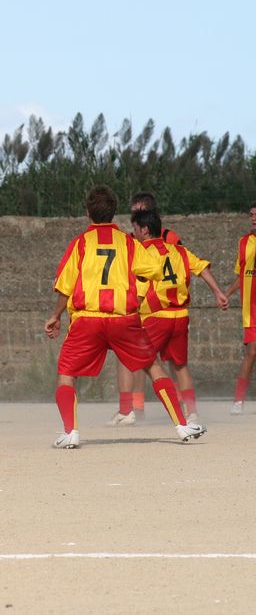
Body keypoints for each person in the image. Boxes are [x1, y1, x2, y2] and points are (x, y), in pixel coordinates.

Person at [44, 186, 206, 449]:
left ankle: (71, 432)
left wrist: (55, 316)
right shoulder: (128, 242)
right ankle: (181, 425)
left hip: (88, 319)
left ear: (88, 213)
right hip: (124, 318)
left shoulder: (80, 243)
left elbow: (65, 286)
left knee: (66, 373)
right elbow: (153, 270)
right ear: (114, 213)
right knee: (153, 367)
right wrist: (134, 288)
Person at [105, 209, 227, 425]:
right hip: (180, 316)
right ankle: (192, 412)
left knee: (128, 357)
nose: (134, 233)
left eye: (135, 229)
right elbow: (202, 269)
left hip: (155, 316)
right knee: (180, 365)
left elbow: (134, 282)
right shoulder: (179, 251)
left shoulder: (142, 252)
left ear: (144, 230)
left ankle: (128, 410)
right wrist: (218, 293)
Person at [114, 192, 185, 423]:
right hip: (137, 305)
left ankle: (184, 407)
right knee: (132, 357)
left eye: (140, 210)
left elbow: (181, 265)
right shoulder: (129, 239)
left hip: (160, 309)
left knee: (169, 361)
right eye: (133, 211)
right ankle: (133, 409)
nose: (135, 214)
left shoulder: (170, 238)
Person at [224, 202, 256, 414]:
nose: (254, 218)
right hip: (251, 310)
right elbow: (242, 276)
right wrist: (225, 294)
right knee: (251, 352)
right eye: (252, 214)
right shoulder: (244, 242)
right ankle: (238, 401)